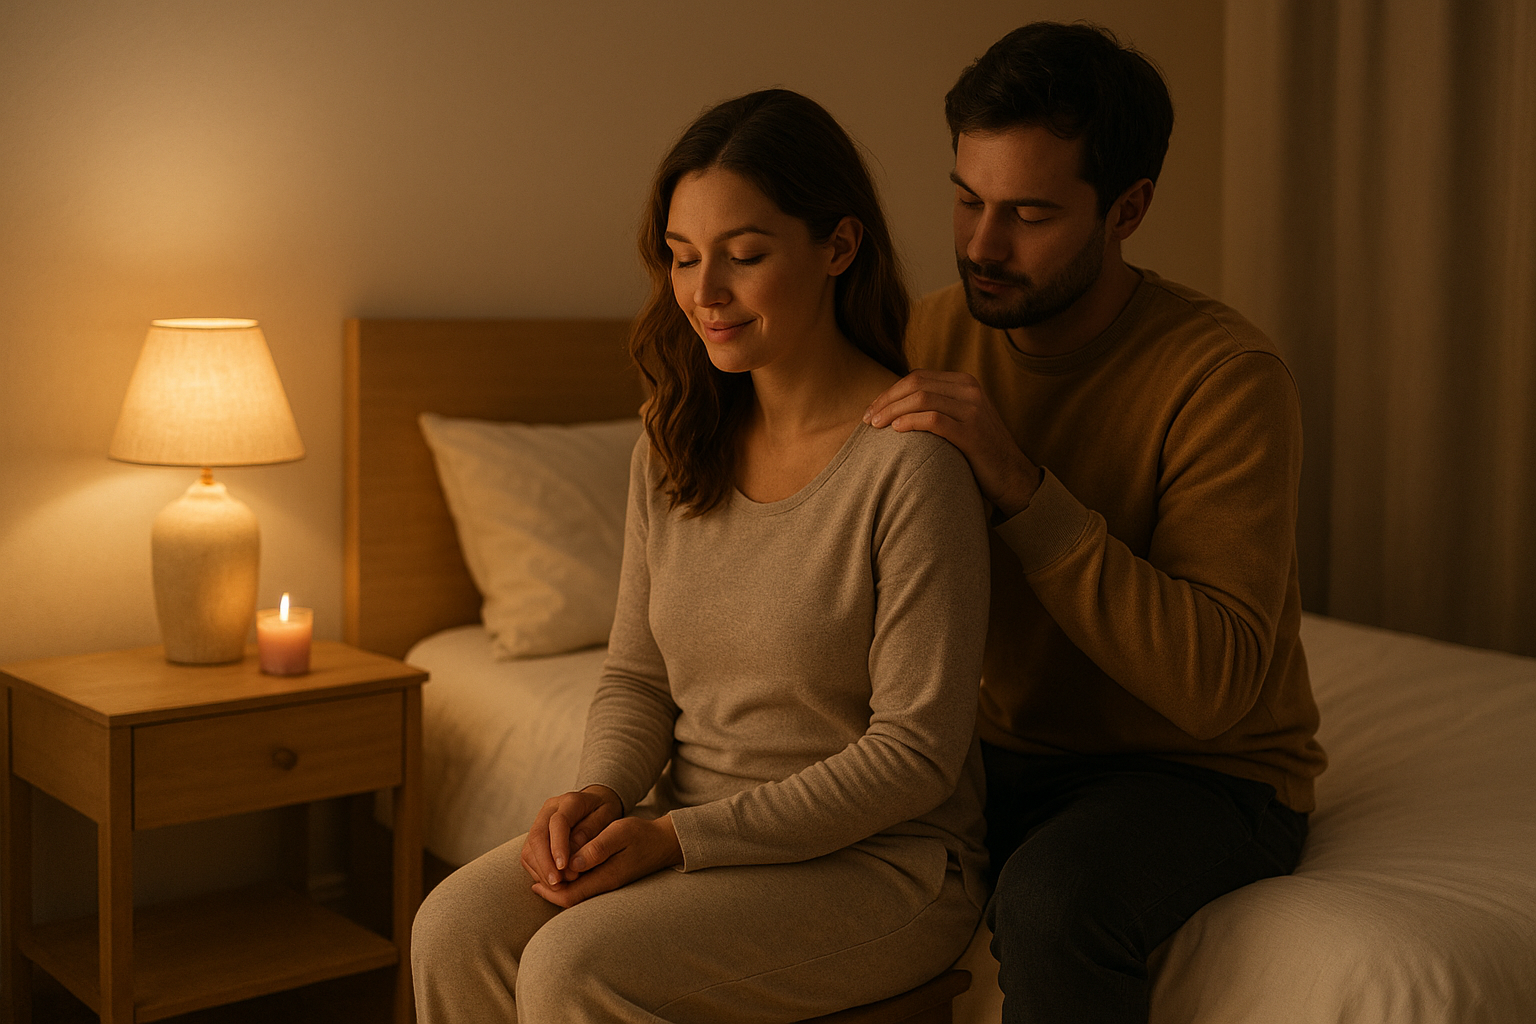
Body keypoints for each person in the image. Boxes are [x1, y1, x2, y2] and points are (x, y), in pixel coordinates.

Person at [411, 88, 992, 1023]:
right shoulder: (676, 443)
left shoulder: (912, 465)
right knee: (449, 927)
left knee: (571, 968)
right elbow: (638, 676)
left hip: (883, 864)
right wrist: (600, 793)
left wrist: (677, 841)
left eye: (745, 256)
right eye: (682, 259)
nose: (703, 294)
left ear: (838, 248)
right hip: (696, 830)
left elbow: (914, 756)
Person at [863, 22, 1327, 1024]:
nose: (984, 243)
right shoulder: (920, 334)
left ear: (1128, 209)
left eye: (1028, 212)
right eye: (967, 197)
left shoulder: (1224, 377)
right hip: (991, 745)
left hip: (1202, 773)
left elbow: (1213, 689)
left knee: (1052, 902)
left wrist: (1025, 488)